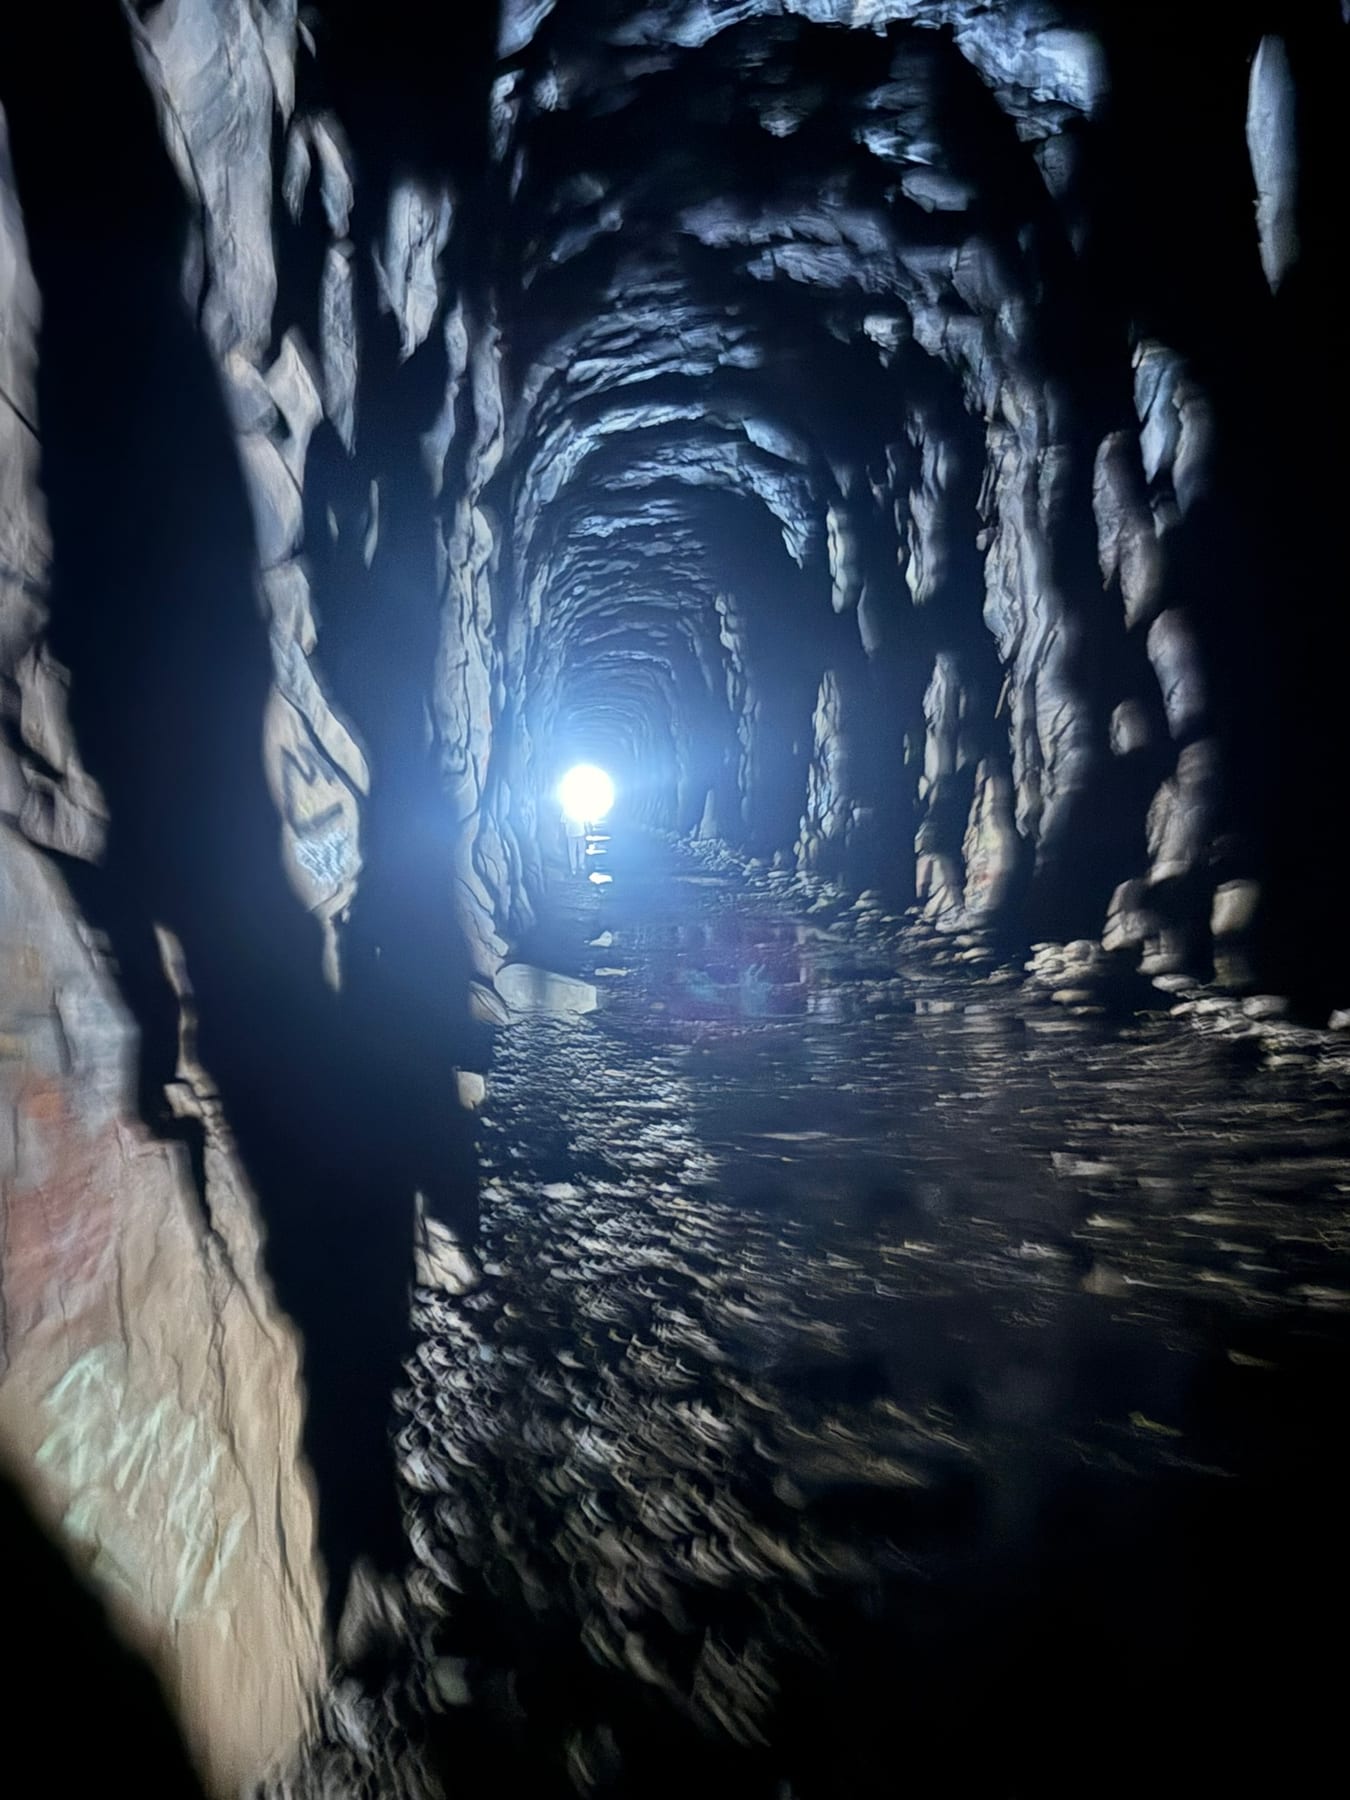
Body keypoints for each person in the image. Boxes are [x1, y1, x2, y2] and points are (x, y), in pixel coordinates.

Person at [562, 801, 588, 874]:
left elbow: (563, 822)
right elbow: (586, 821)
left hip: (571, 833)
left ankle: (574, 868)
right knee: (581, 850)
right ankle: (581, 865)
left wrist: (563, 833)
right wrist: (587, 830)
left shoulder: (566, 810)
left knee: (572, 852)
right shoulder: (581, 808)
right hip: (580, 832)